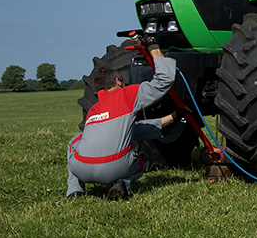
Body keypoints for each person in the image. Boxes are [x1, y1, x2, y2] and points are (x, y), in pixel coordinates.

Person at [66, 37, 181, 200]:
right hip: (114, 168)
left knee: (76, 140)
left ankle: (74, 190)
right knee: (138, 161)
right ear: (118, 81)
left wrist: (172, 118)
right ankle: (122, 183)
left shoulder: (93, 110)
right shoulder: (125, 95)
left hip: (81, 169)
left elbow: (134, 130)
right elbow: (163, 81)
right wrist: (153, 47)